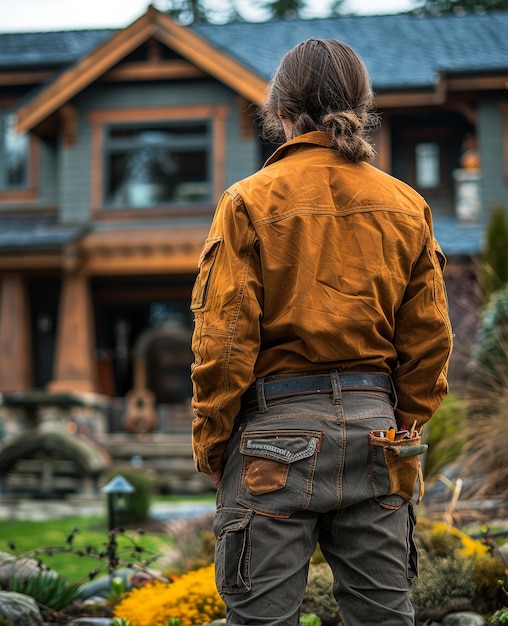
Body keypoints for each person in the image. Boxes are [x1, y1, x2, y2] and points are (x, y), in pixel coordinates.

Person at [190, 38, 452, 626]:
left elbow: (224, 343)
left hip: (272, 438)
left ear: (280, 110)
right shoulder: (406, 204)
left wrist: (212, 439)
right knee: (385, 615)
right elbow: (431, 339)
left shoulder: (247, 202)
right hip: (378, 434)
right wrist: (403, 424)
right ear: (362, 105)